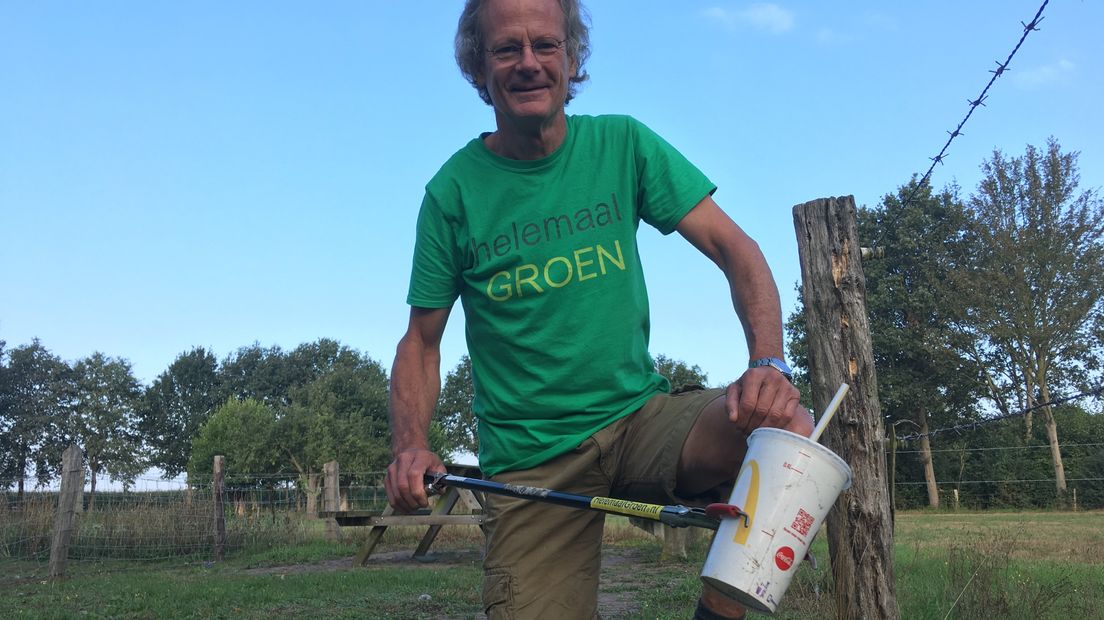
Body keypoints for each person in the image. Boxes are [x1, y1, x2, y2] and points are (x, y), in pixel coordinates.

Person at [384, 0, 814, 618]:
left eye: (546, 45)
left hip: (640, 419)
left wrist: (767, 361)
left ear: (572, 57)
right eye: (507, 49)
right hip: (531, 464)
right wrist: (410, 445)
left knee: (785, 428)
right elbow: (421, 341)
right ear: (478, 67)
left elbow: (735, 248)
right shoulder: (452, 193)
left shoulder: (623, 143)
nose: (529, 63)